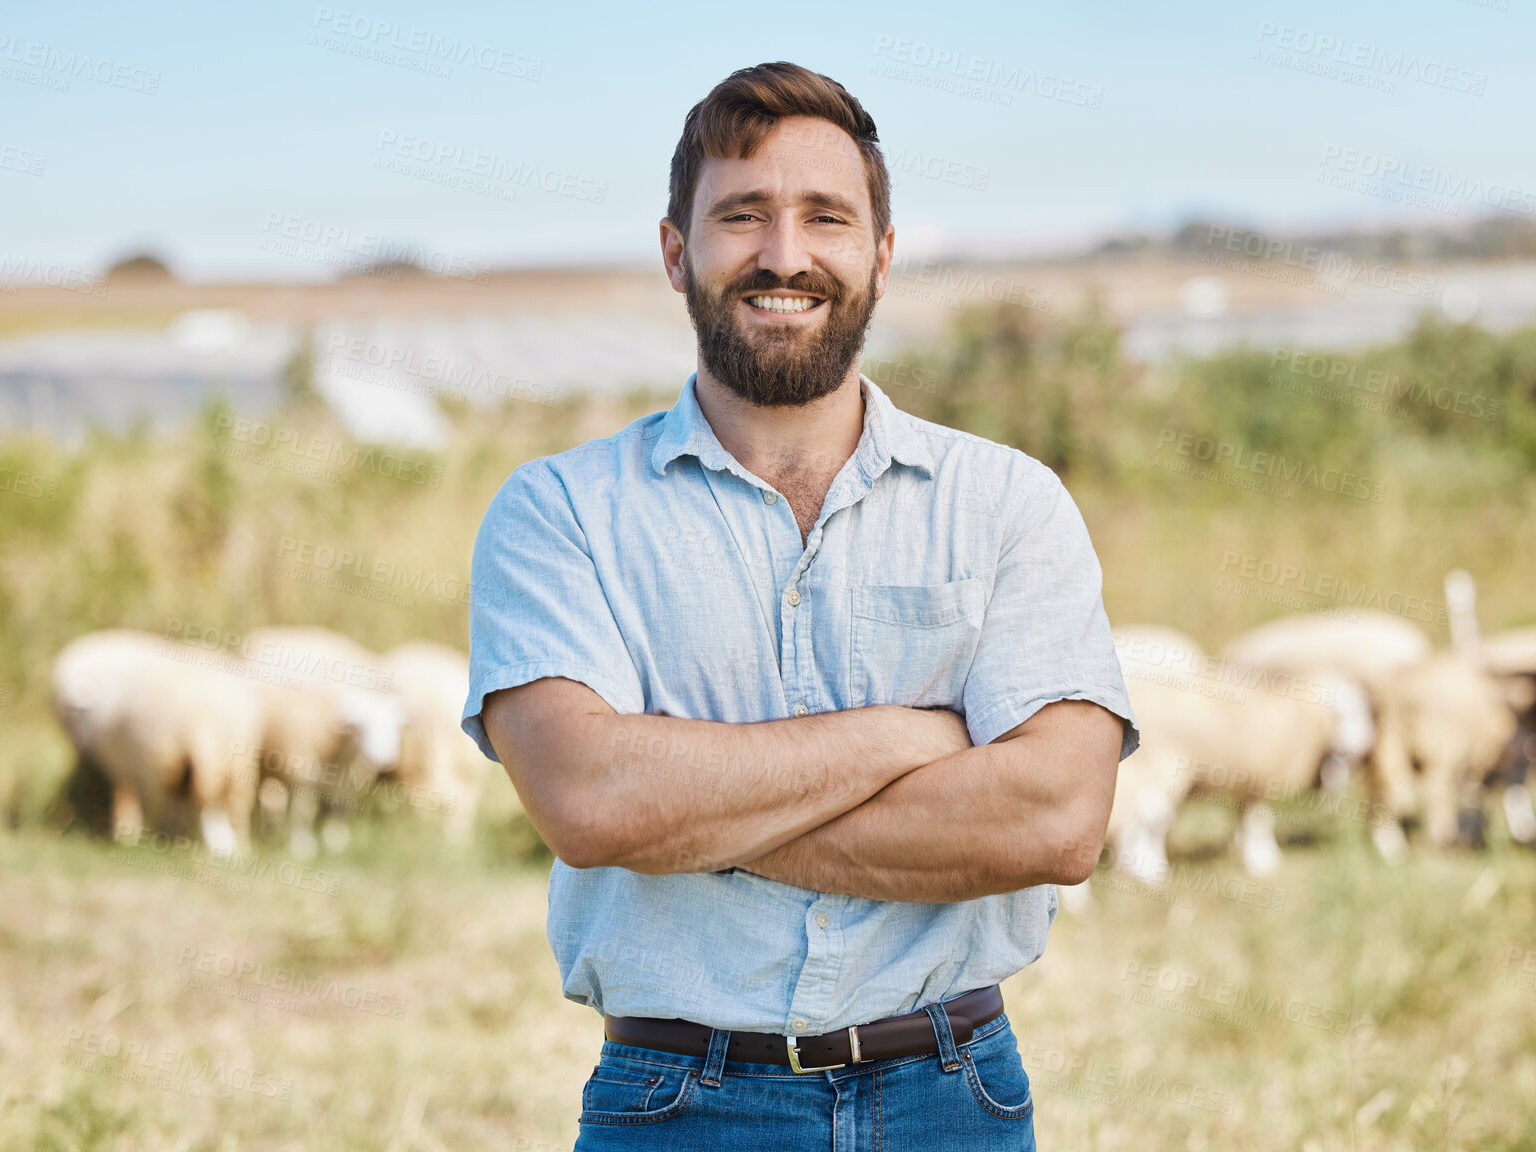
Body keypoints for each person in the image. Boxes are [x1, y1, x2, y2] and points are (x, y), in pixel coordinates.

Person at [461, 60, 1138, 1151]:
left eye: (824, 216)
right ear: (676, 250)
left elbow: (1056, 820)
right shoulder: (560, 512)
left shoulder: (1006, 502)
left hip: (952, 1098)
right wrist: (907, 738)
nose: (784, 254)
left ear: (878, 254)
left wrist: (687, 806)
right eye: (741, 215)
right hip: (675, 1103)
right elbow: (588, 802)